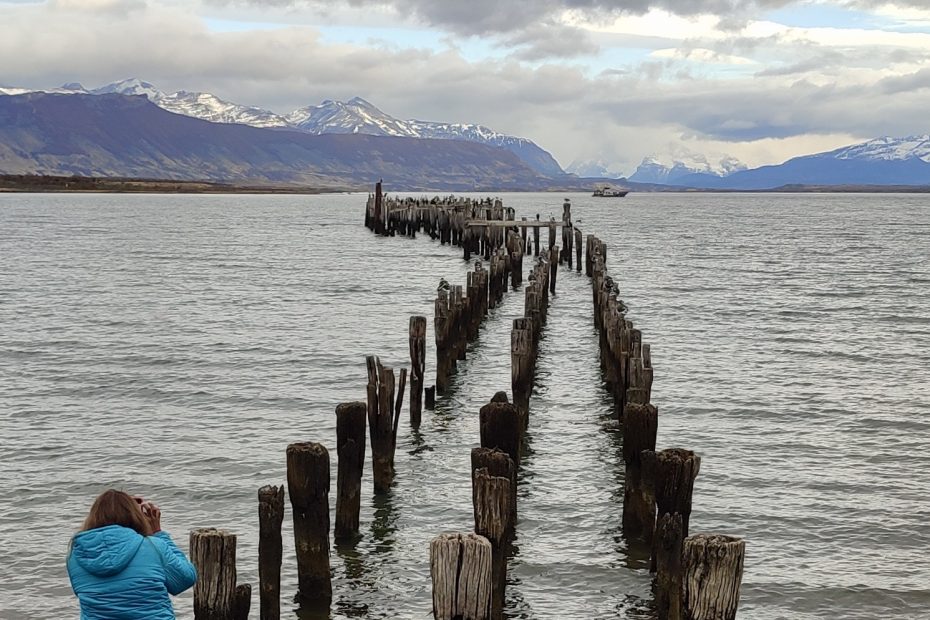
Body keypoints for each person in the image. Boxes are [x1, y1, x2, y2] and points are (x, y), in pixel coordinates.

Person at [67, 489, 197, 619]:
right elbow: (185, 579)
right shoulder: (153, 546)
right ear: (134, 515)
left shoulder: (76, 554)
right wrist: (159, 534)